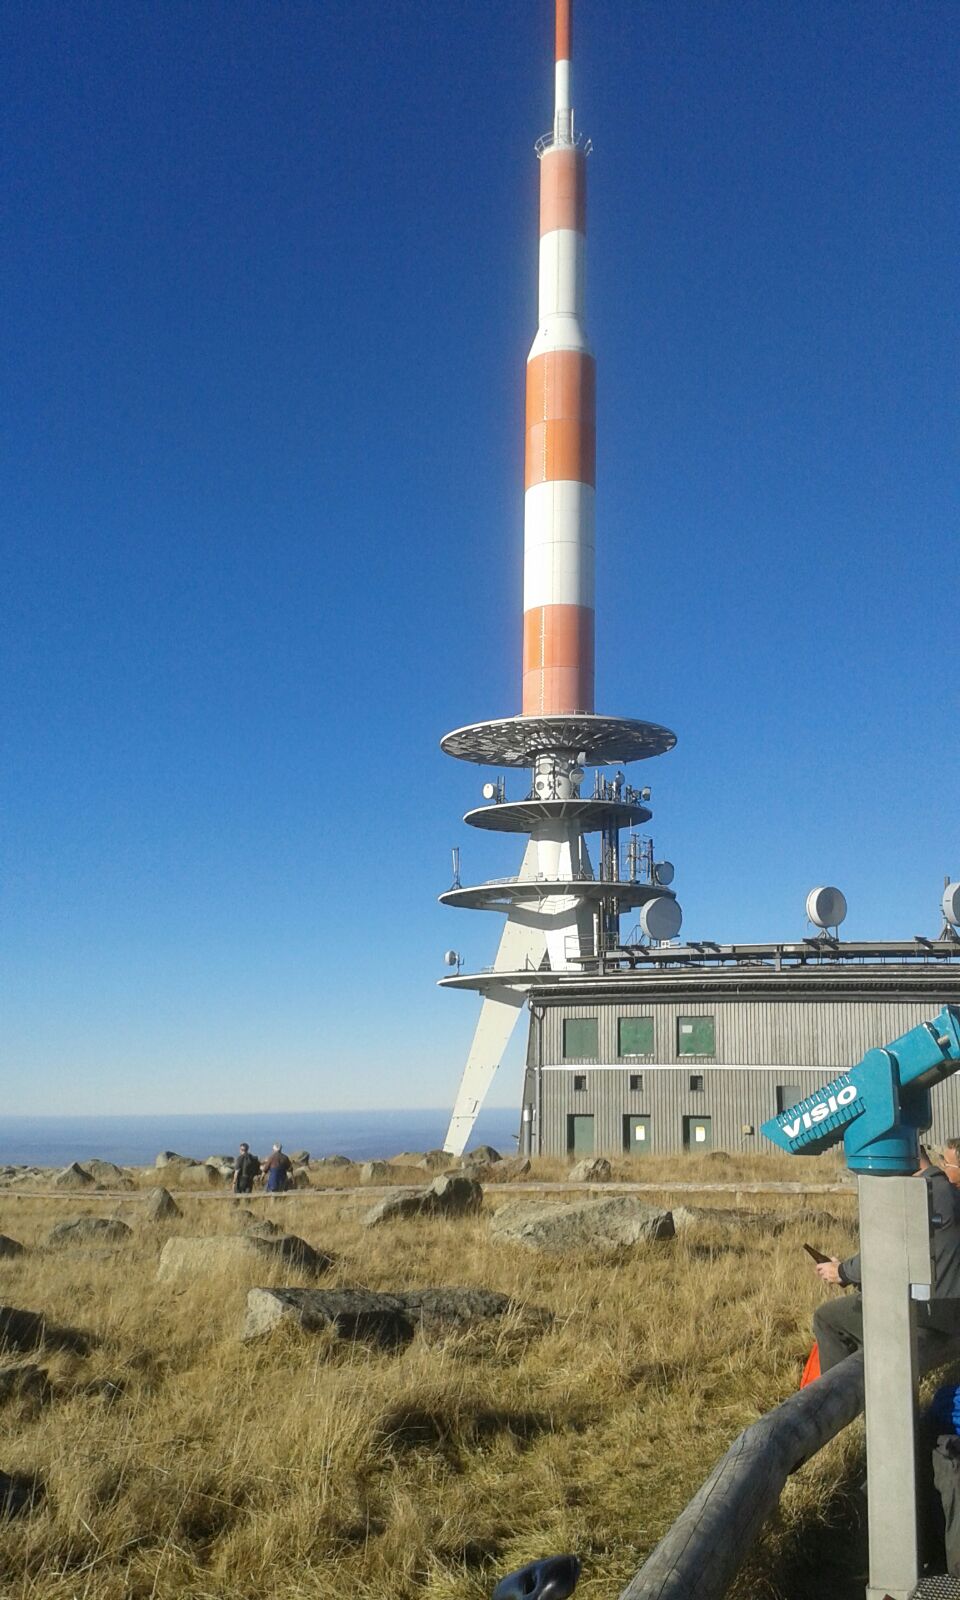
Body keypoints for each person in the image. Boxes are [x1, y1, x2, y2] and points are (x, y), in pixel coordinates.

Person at [812, 1145, 960, 1371]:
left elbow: (884, 1253)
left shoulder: (921, 1195)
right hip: (948, 1306)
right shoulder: (948, 1192)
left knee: (828, 1317)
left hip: (935, 1312)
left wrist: (842, 1271)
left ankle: (834, 1398)